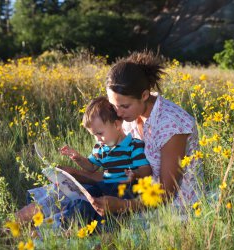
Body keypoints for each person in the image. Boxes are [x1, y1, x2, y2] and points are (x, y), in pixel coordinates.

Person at [87, 50, 204, 216]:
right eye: (114, 106)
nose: (118, 113)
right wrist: (78, 174)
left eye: (124, 106)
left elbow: (167, 194)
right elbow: (118, 169)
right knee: (78, 200)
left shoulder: (171, 125)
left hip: (174, 209)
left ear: (144, 95)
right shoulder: (131, 116)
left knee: (89, 223)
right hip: (133, 194)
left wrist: (122, 206)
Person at [16, 96, 152, 224]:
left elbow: (146, 170)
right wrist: (78, 158)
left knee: (89, 209)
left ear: (116, 125)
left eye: (100, 133)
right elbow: (91, 167)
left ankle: (63, 224)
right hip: (103, 188)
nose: (97, 139)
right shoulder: (101, 148)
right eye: (94, 135)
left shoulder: (133, 145)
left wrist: (136, 174)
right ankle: (54, 220)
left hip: (124, 193)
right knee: (79, 199)